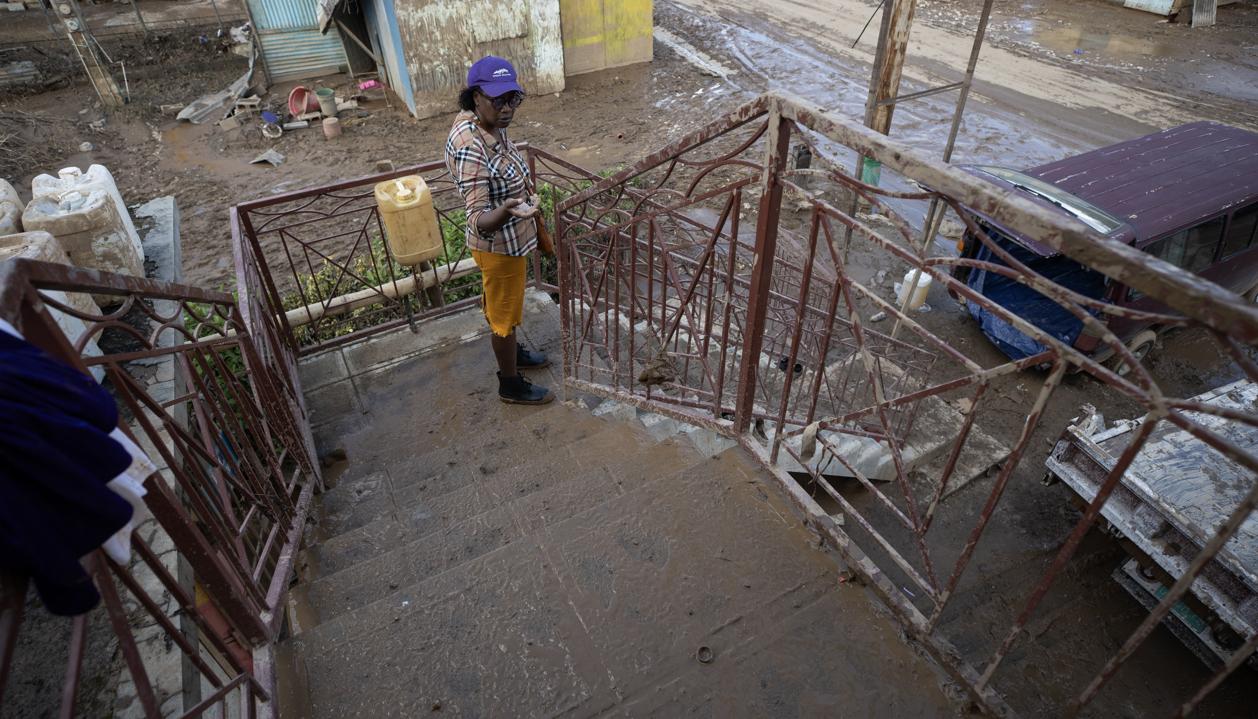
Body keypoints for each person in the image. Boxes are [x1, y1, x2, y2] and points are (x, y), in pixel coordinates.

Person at [445, 56, 553, 405]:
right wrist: (507, 210)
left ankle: (512, 352)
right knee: (503, 317)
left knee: (502, 306)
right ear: (475, 96)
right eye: (498, 100)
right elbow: (477, 218)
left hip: (512, 241)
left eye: (513, 99)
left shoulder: (485, 123)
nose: (507, 109)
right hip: (500, 247)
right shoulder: (471, 147)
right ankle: (510, 383)